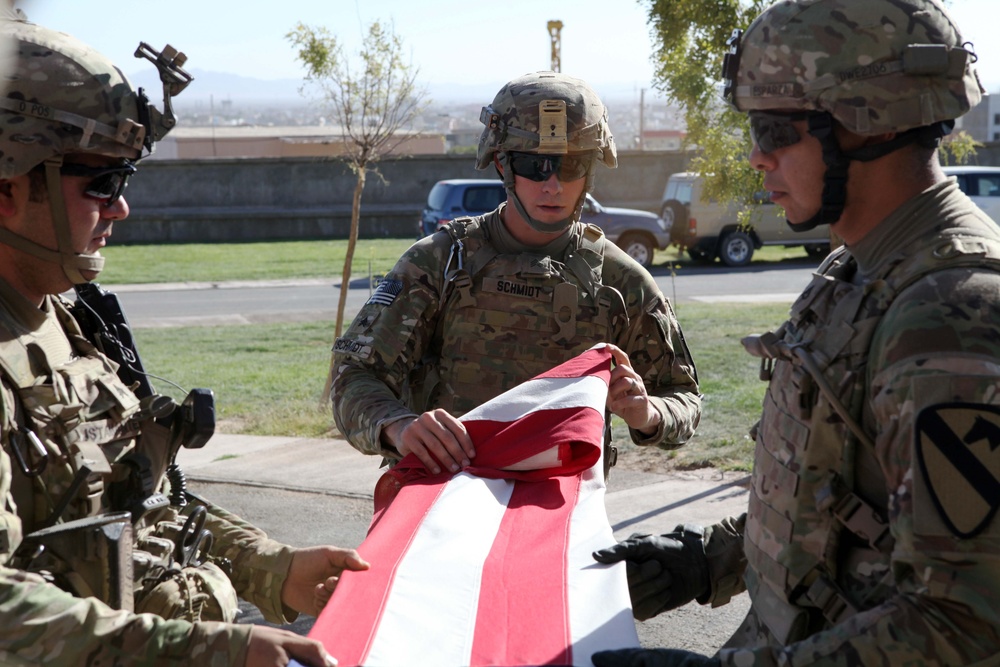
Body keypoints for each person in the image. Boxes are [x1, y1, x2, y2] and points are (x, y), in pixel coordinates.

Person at [591, 0, 1000, 665]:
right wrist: (710, 558)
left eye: (774, 129)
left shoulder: (952, 313)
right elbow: (837, 498)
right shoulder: (857, 267)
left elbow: (965, 619)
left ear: (867, 125)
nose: (756, 157)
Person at [0, 16, 369, 667]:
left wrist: (270, 567)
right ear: (6, 187)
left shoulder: (68, 321)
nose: (120, 209)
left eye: (125, 181)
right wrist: (196, 649)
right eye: (101, 182)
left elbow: (140, 503)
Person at [331, 71, 701, 475]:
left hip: (555, 517)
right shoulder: (439, 263)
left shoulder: (618, 281)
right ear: (503, 165)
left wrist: (648, 414)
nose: (553, 185)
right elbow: (354, 377)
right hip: (442, 500)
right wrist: (398, 428)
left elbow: (683, 396)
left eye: (572, 165)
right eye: (534, 165)